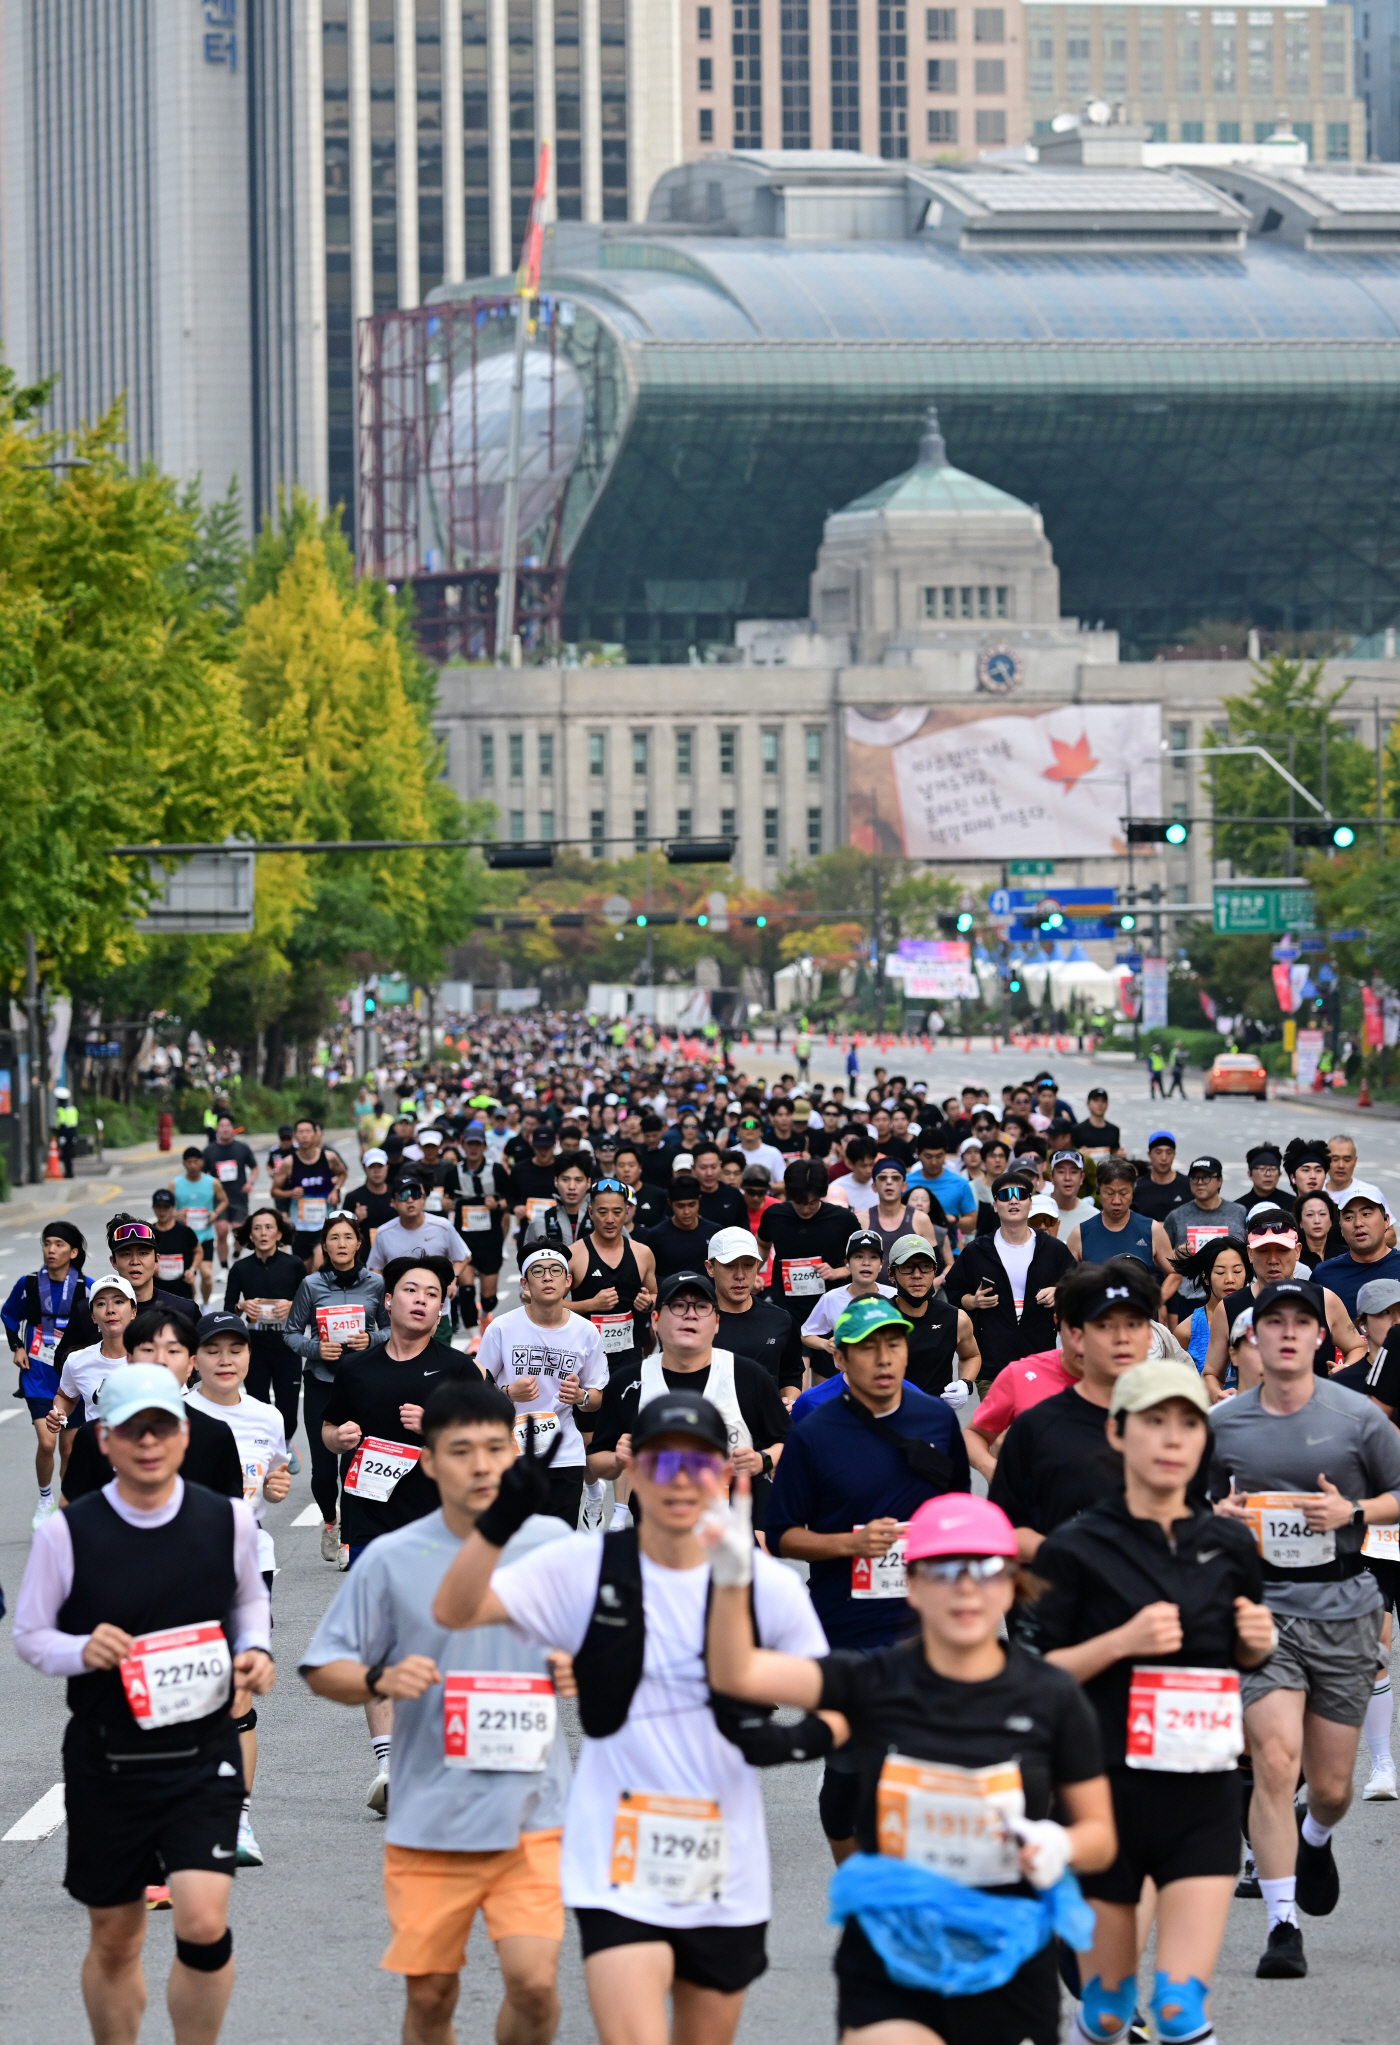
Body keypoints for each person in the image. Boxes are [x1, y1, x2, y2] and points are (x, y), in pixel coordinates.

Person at [432, 1388, 829, 2045]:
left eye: (699, 1464)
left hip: (724, 1863)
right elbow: (455, 1609)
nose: (681, 1480)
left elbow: (833, 1699)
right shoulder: (581, 1565)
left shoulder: (764, 1582)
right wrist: (500, 1521)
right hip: (615, 1858)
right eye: (663, 1463)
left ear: (724, 1472)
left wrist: (800, 1736)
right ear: (635, 1470)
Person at [704, 1485, 1115, 2045]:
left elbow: (1099, 1834)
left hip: (1008, 1953)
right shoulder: (872, 1682)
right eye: (943, 1570)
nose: (965, 1587)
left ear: (1012, 1586)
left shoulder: (1051, 1696)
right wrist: (730, 1581)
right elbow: (737, 1674)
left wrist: (1060, 1846)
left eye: (986, 1569)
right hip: (892, 1952)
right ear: (913, 1586)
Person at [301, 1377, 574, 2045]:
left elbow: (616, 1650)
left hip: (533, 1811)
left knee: (535, 1987)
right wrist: (380, 1674)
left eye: (494, 1447)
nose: (481, 1464)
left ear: (515, 1453)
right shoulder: (393, 1556)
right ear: (428, 1461)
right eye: (460, 1450)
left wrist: (584, 1668)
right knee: (430, 1995)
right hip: (430, 1815)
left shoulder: (555, 1545)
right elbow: (323, 1665)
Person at [12, 1361, 274, 2043]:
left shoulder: (227, 1521)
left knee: (202, 1919)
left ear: (184, 1435)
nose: (149, 1442)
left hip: (202, 1751)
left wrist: (256, 1651)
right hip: (109, 1757)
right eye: (133, 1430)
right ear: (106, 1441)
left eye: (162, 1427)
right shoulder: (68, 1533)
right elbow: (31, 1635)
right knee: (116, 1935)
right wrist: (82, 1650)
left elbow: (249, 1604)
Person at [1031, 1359, 1275, 2045]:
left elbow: (1240, 1652)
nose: (1173, 1438)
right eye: (1155, 1421)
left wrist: (1257, 1642)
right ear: (1118, 1432)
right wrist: (1119, 1641)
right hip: (1103, 1798)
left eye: (1189, 1423)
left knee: (1178, 2008)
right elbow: (1034, 1673)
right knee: (1108, 2009)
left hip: (1203, 1795)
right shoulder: (1075, 1547)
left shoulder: (1228, 1542)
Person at [1208, 1276, 1400, 1978]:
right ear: (1252, 1338)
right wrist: (1215, 1517)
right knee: (1273, 1762)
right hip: (1262, 1613)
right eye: (1273, 1322)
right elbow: (1182, 1501)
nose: (1287, 1332)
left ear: (1321, 1336)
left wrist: (1352, 1513)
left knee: (1330, 1787)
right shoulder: (1224, 1422)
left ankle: (1315, 1836)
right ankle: (1281, 1924)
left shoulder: (1357, 1417)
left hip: (1344, 1611)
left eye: (1301, 1321)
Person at [764, 1294, 971, 1858]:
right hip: (844, 1629)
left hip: (925, 1630)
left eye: (894, 1344)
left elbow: (958, 1515)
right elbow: (781, 1533)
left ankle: (906, 1900)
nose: (883, 1359)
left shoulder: (934, 1418)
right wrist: (849, 1545)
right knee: (848, 1774)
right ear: (842, 1358)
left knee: (920, 1769)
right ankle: (856, 1885)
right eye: (868, 1348)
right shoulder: (815, 1429)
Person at [320, 1255, 485, 1806]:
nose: (420, 1299)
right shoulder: (357, 1368)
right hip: (371, 1520)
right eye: (409, 1290)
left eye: (432, 1293)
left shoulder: (458, 1370)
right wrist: (337, 1439)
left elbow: (491, 1441)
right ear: (386, 1301)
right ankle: (391, 1769)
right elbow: (327, 1426)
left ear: (441, 1308)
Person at [184, 1312, 292, 1870]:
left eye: (236, 1349)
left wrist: (276, 1489)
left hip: (250, 1565)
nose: (226, 1360)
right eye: (213, 1350)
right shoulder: (176, 1415)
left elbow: (271, 1484)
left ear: (250, 1356)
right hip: (181, 1570)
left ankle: (238, 1819)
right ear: (194, 1357)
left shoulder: (268, 1417)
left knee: (238, 1691)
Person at [585, 1272, 792, 1532]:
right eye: (678, 1306)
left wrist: (763, 1461)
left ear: (717, 1322)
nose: (690, 1314)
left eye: (702, 1307)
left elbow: (788, 1442)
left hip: (734, 1530)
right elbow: (596, 1459)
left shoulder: (748, 1375)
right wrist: (617, 1459)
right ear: (656, 1320)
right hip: (657, 1532)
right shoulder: (628, 1382)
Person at [990, 1260, 1161, 1563]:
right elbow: (1002, 1529)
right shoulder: (1036, 1427)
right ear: (1076, 1336)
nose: (1122, 1338)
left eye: (1134, 1323)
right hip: (1057, 1601)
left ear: (1150, 1334)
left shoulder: (1177, 1422)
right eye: (1105, 1325)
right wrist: (1070, 1555)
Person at [478, 1247, 609, 1529]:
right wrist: (507, 1395)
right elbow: (476, 1390)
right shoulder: (502, 1328)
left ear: (568, 1281)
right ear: (525, 1284)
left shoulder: (586, 1332)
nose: (547, 1278)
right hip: (510, 1454)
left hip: (564, 1453)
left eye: (555, 1271)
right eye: (538, 1271)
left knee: (558, 1542)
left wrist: (581, 1396)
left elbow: (596, 1396)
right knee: (513, 1541)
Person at [61, 1307, 243, 1509]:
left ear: (191, 1363)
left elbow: (232, 1515)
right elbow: (69, 1510)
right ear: (129, 1360)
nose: (160, 1360)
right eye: (148, 1350)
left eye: (173, 1351)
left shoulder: (216, 1435)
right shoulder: (96, 1435)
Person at [286, 1213, 391, 1562]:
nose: (341, 1244)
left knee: (352, 1464)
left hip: (360, 1385)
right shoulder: (311, 1285)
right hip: (321, 1382)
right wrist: (316, 1349)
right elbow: (290, 1333)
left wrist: (370, 1339)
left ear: (359, 1243)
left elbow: (392, 1329)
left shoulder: (376, 1284)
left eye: (348, 1237)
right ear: (324, 1245)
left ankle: (348, 1540)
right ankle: (330, 1521)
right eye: (334, 1238)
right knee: (323, 1470)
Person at [1200, 1207, 1366, 1398]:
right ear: (1250, 1254)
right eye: (1263, 1250)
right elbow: (1211, 1373)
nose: (1273, 1260)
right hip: (1255, 1416)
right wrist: (1217, 1395)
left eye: (1282, 1250)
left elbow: (1357, 1347)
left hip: (1314, 1413)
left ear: (1297, 1251)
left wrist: (1345, 1369)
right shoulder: (1229, 1307)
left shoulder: (1324, 1299)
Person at [3, 1219, 91, 1524]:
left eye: (58, 1245)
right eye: (46, 1243)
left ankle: (66, 1504)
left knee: (68, 1449)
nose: (50, 1250)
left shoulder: (86, 1287)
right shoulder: (28, 1284)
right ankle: (44, 1499)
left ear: (73, 1251)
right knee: (46, 1442)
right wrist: (16, 1345)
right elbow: (10, 1315)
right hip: (38, 1376)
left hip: (73, 1381)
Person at [944, 1175, 1072, 1381]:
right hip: (992, 1363)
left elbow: (1079, 1288)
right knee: (999, 1415)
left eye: (1020, 1195)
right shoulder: (976, 1250)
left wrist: (1060, 1292)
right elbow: (953, 1293)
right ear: (995, 1205)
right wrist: (973, 1301)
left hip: (1042, 1361)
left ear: (1030, 1203)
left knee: (1037, 1414)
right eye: (1005, 1196)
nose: (1013, 1200)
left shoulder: (1054, 1249)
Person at [224, 1209, 306, 1465]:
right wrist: (241, 1307)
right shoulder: (240, 1268)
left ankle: (285, 1443)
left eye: (269, 1227)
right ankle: (264, 1452)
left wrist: (292, 1305)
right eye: (257, 1228)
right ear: (250, 1233)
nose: (263, 1233)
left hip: (287, 1344)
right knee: (257, 1403)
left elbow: (309, 1305)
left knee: (288, 1408)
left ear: (279, 1233)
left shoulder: (294, 1265)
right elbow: (228, 1308)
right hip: (255, 1345)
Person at [705, 1226, 805, 1406]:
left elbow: (791, 1374)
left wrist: (790, 1401)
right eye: (729, 1266)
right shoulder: (694, 1321)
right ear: (710, 1268)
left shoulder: (780, 1320)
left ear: (758, 1266)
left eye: (748, 1265)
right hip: (709, 1427)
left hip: (765, 1429)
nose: (740, 1275)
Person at [757, 1159, 855, 1337]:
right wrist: (753, 1274)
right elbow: (762, 1245)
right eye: (799, 1202)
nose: (805, 1209)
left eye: (812, 1202)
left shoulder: (843, 1219)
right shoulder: (775, 1215)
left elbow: (865, 1259)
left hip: (830, 1309)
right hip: (786, 1306)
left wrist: (839, 1271)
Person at [47, 1274, 138, 1437]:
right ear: (93, 1316)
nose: (110, 1310)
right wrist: (59, 1413)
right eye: (101, 1304)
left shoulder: (156, 1359)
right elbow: (66, 1396)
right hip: (97, 1456)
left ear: (133, 1311)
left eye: (118, 1302)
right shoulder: (77, 1361)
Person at [798, 1229, 896, 1373]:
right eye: (858, 1256)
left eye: (873, 1257)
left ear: (881, 1264)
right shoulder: (831, 1298)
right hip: (847, 1376)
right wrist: (825, 1344)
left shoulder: (894, 1295)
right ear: (847, 1263)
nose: (866, 1263)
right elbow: (806, 1334)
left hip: (887, 1372)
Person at [368, 1177, 472, 1310]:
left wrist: (452, 1278)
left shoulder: (443, 1226)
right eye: (403, 1196)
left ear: (422, 1199)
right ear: (393, 1202)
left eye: (415, 1195)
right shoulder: (383, 1233)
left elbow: (462, 1257)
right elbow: (375, 1268)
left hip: (438, 1310)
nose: (410, 1200)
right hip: (400, 1309)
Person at [1067, 1159, 1175, 1286]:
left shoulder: (1152, 1229)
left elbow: (1174, 1273)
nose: (1116, 1201)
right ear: (1099, 1191)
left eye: (1123, 1193)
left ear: (1133, 1192)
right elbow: (1065, 1281)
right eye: (1110, 1193)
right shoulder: (1080, 1234)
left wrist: (1155, 1299)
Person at [451, 1122, 512, 1323]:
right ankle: (473, 1335)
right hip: (464, 1239)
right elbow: (443, 1198)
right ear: (463, 1145)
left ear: (484, 1146)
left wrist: (497, 1204)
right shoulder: (454, 1173)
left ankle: (485, 1312)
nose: (474, 1148)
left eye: (478, 1144)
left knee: (489, 1298)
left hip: (489, 1239)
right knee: (466, 1289)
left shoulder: (495, 1170)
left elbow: (510, 1200)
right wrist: (445, 1203)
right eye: (470, 1144)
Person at [1313, 1182, 1400, 1319]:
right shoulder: (1324, 1275)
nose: (1358, 1223)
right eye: (1349, 1217)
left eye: (1366, 1214)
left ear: (1386, 1221)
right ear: (1341, 1228)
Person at [1162, 1157, 1247, 1296]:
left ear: (1219, 1180)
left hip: (1231, 1293)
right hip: (1188, 1296)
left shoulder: (1239, 1212)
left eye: (1206, 1177)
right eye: (1195, 1178)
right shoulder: (1176, 1216)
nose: (1200, 1183)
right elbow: (1161, 1258)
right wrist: (1177, 1255)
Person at [270, 1116, 348, 1263]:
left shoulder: (329, 1157)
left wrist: (335, 1189)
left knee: (319, 1264)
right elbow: (274, 1191)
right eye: (300, 1132)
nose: (304, 1135)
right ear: (295, 1137)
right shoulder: (289, 1162)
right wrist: (290, 1193)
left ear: (315, 1134)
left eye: (308, 1131)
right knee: (304, 1271)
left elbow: (343, 1173)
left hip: (324, 1223)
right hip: (300, 1225)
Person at [1169, 1236, 1249, 1369]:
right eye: (1220, 1272)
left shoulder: (1260, 1320)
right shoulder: (1186, 1332)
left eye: (1237, 1271)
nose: (1230, 1279)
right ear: (1205, 1276)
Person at [202, 1112, 260, 1273]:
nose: (225, 1129)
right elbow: (201, 1174)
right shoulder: (209, 1151)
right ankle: (223, 1267)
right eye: (222, 1126)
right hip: (219, 1199)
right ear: (217, 1129)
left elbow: (254, 1167)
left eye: (228, 1126)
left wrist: (250, 1182)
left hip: (239, 1196)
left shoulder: (242, 1148)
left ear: (232, 1128)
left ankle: (235, 1255)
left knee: (239, 1233)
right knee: (221, 1232)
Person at [169, 1147, 227, 1304]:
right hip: (185, 1237)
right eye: (189, 1162)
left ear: (202, 1162)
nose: (193, 1165)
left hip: (205, 1235)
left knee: (207, 1275)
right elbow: (166, 1206)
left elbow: (224, 1200)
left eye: (196, 1162)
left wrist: (215, 1213)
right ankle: (192, 1306)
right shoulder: (175, 1184)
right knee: (189, 1278)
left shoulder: (212, 1182)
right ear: (184, 1164)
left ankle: (206, 1304)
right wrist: (175, 1214)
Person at [865, 1158, 940, 1278]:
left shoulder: (921, 1219)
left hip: (911, 1294)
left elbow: (934, 1264)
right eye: (882, 1178)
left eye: (895, 1178)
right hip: (872, 1294)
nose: (889, 1182)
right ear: (874, 1186)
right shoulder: (861, 1220)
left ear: (904, 1186)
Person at [642, 1174, 720, 1281]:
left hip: (708, 1296)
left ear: (699, 1200)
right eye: (680, 1206)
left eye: (692, 1205)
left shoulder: (714, 1233)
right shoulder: (656, 1236)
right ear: (670, 1203)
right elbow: (647, 1274)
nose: (687, 1212)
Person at [905, 1131, 978, 1244]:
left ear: (946, 1154)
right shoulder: (905, 1183)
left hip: (951, 1248)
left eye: (939, 1156)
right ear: (917, 1153)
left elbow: (971, 1224)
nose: (934, 1162)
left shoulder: (960, 1183)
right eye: (928, 1156)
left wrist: (952, 1220)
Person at [151, 1188, 203, 1304]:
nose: (162, 1211)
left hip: (182, 1288)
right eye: (158, 1207)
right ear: (153, 1208)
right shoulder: (149, 1233)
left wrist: (192, 1270)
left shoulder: (185, 1231)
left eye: (166, 1207)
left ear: (173, 1208)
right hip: (156, 1289)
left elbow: (198, 1251)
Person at [1131, 1133, 1190, 1225]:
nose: (1164, 1158)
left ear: (1174, 1154)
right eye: (1158, 1152)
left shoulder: (1187, 1185)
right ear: (1149, 1154)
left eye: (1169, 1152)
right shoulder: (1137, 1187)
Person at [344, 1148, 398, 1239]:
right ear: (364, 1168)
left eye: (380, 1166)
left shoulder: (397, 1195)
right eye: (372, 1166)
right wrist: (355, 1219)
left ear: (387, 1167)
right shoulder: (353, 1197)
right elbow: (342, 1231)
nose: (376, 1171)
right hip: (365, 1251)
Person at [1046, 1149, 1097, 1243]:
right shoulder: (1034, 1207)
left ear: (1082, 1178)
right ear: (1051, 1177)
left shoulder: (1093, 1217)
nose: (1067, 1178)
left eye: (1073, 1172)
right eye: (1061, 1172)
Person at [1295, 1188, 1345, 1270]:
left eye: (1322, 1214)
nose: (1317, 1221)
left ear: (1331, 1221)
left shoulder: (1345, 1254)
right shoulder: (1294, 1256)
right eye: (1310, 1214)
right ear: (1300, 1223)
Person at [1232, 1144, 1285, 1218]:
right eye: (1262, 1169)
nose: (1268, 1174)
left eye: (1273, 1169)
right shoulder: (1237, 1208)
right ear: (1249, 1174)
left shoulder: (1294, 1206)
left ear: (1280, 1174)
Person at [1072, 1088, 1122, 1159]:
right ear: (1087, 1103)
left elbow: (1115, 1152)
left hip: (1107, 1168)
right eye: (1096, 1101)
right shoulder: (1077, 1130)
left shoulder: (1114, 1130)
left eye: (1103, 1101)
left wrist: (1120, 1155)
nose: (1100, 1104)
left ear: (1107, 1104)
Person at [54, 1082, 79, 1176]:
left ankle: (69, 1173)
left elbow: (61, 1123)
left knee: (66, 1155)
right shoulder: (72, 1108)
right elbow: (75, 1122)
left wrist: (61, 1135)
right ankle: (70, 1172)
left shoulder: (60, 1109)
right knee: (70, 1155)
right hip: (72, 1134)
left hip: (64, 1134)